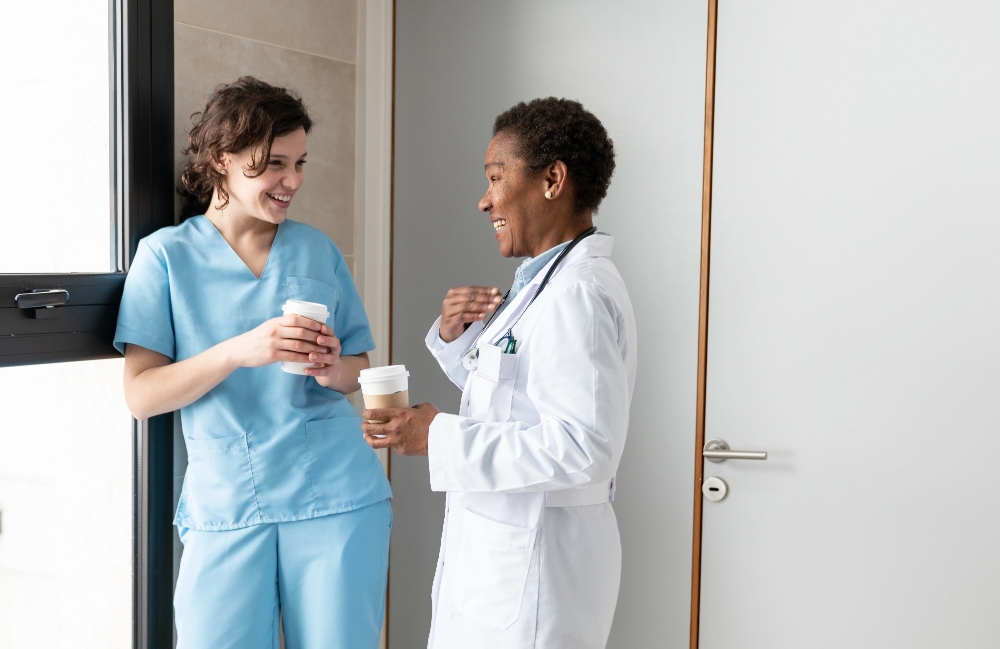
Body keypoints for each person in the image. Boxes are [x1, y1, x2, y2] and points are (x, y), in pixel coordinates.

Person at [116, 77, 391, 649]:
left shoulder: (317, 249)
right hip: (229, 501)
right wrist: (240, 350)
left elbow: (358, 368)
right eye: (273, 164)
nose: (292, 181)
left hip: (334, 495)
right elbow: (141, 395)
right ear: (222, 158)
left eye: (300, 163)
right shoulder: (165, 256)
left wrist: (332, 366)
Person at [364, 97, 636, 648]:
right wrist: (456, 340)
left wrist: (437, 435)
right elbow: (525, 400)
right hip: (511, 556)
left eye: (496, 177)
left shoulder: (574, 294)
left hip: (541, 569)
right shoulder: (547, 284)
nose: (484, 200)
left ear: (553, 179)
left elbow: (583, 447)